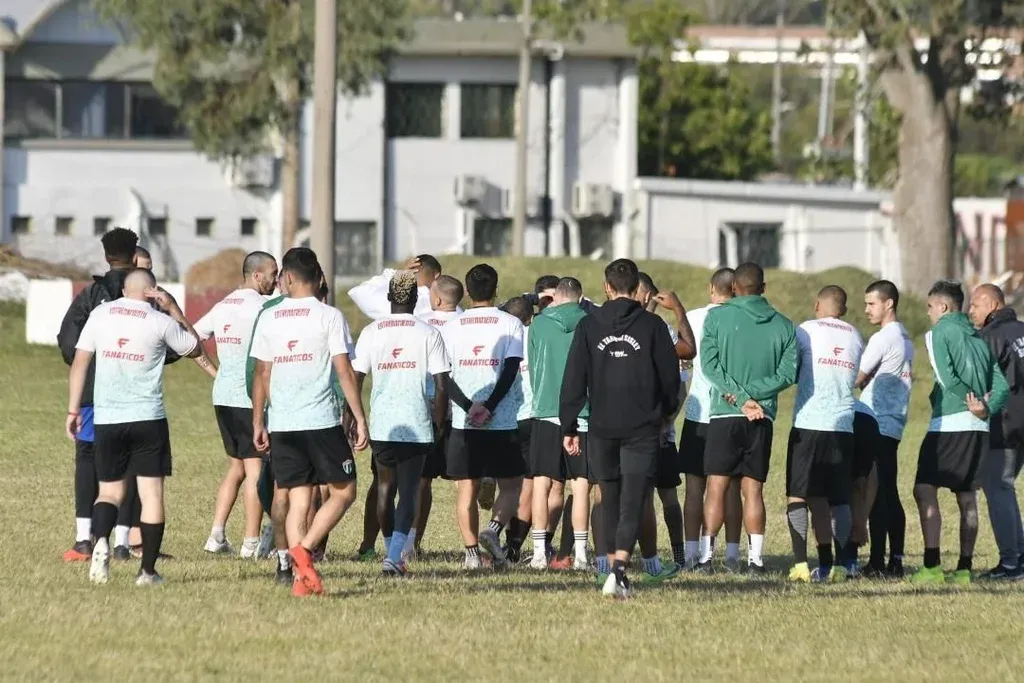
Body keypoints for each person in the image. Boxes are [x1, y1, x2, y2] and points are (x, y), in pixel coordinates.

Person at [66, 268, 205, 585]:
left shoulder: (101, 314)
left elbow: (80, 362)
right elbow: (195, 348)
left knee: (109, 491)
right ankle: (147, 572)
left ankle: (101, 543)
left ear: (124, 290)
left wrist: (73, 409)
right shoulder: (159, 321)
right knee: (151, 494)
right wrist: (172, 308)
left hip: (107, 419)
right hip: (148, 419)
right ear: (152, 292)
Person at [250, 247, 369, 597]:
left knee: (299, 500)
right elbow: (343, 369)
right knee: (345, 491)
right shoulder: (328, 315)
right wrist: (359, 417)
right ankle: (304, 550)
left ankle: (301, 579)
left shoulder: (269, 317)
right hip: (320, 421)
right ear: (317, 278)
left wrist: (258, 422)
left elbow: (262, 372)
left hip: (283, 423)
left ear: (287, 277)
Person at [560, 259, 681, 598]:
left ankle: (613, 569)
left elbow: (574, 378)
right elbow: (670, 378)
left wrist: (569, 425)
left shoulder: (589, 325)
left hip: (602, 426)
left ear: (607, 287)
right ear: (637, 288)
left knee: (609, 497)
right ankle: (619, 570)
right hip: (642, 426)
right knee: (634, 498)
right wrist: (664, 413)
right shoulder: (653, 326)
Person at [698, 262, 797, 574]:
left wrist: (740, 397)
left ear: (733, 289)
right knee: (753, 490)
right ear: (763, 288)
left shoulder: (717, 317)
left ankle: (705, 559)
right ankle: (756, 560)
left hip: (725, 412)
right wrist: (754, 397)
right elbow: (788, 374)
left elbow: (710, 366)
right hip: (761, 415)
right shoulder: (785, 325)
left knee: (716, 486)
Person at [351, 270, 450, 576]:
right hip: (416, 421)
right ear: (417, 298)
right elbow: (442, 385)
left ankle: (389, 549)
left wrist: (354, 417)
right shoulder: (429, 333)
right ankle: (394, 555)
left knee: (384, 486)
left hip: (382, 423)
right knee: (408, 491)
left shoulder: (371, 331)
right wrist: (439, 423)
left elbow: (355, 378)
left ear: (389, 297)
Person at [909, 280, 1009, 585]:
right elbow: (1002, 386)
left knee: (924, 489)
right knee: (967, 496)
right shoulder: (978, 336)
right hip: (979, 427)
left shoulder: (938, 332)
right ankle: (964, 569)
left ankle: (932, 566)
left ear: (942, 306)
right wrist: (985, 409)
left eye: (930, 307)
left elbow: (946, 377)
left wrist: (970, 401)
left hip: (949, 424)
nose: (928, 313)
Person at [194, 252, 279, 558]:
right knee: (256, 468)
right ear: (257, 275)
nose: (276, 280)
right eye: (272, 273)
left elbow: (192, 338)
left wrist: (214, 371)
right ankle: (251, 542)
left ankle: (216, 535)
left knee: (236, 467)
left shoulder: (223, 305)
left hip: (222, 396)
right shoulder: (263, 308)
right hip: (248, 397)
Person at [442, 264, 526, 569]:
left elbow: (443, 375)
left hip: (464, 422)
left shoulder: (451, 326)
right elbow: (511, 369)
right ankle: (493, 529)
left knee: (467, 489)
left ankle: (471, 555)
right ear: (496, 289)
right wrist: (489, 406)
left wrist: (468, 407)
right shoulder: (511, 323)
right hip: (501, 420)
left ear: (467, 291)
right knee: (512, 485)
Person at [785, 286, 863, 583]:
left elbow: (792, 370)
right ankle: (839, 564)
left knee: (799, 494)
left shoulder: (806, 330)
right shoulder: (855, 335)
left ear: (818, 305)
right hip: (842, 426)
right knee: (838, 498)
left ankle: (801, 565)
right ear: (843, 309)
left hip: (809, 422)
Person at [678, 268, 743, 571]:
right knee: (730, 489)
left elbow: (682, 359)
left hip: (698, 412)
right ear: (737, 290)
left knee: (695, 489)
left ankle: (692, 554)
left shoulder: (692, 317)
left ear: (711, 289)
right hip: (731, 411)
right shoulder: (741, 319)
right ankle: (731, 555)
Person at [527, 278, 593, 571]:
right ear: (580, 297)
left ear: (555, 297)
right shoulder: (590, 322)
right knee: (581, 486)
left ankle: (539, 554)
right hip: (582, 411)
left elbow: (533, 365)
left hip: (546, 409)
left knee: (541, 483)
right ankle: (581, 555)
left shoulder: (539, 323)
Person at [855, 280, 914, 578]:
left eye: (871, 303)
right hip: (894, 421)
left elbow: (856, 377)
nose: (866, 309)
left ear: (888, 303)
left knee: (878, 492)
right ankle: (896, 560)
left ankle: (877, 562)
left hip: (876, 420)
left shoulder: (882, 338)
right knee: (889, 491)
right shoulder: (904, 336)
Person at [969, 283, 1024, 579]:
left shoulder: (989, 337)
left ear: (991, 304)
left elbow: (980, 382)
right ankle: (1020, 558)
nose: (970, 312)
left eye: (974, 305)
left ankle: (1011, 563)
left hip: (1005, 423)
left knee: (997, 487)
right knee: (1005, 487)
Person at [348, 255, 445, 320]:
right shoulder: (443, 303)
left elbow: (358, 291)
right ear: (437, 276)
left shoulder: (389, 299)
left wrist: (398, 274)